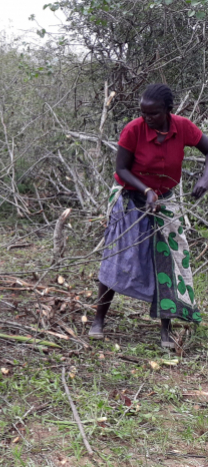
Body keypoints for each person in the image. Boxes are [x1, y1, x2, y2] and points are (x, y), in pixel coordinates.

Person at [91, 84, 208, 348]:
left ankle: (166, 331)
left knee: (165, 262)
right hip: (131, 198)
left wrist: (205, 178)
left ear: (168, 111)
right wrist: (146, 190)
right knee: (116, 258)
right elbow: (121, 169)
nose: (147, 118)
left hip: (164, 200)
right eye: (143, 113)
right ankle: (98, 320)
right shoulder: (134, 129)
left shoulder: (184, 127)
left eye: (153, 114)